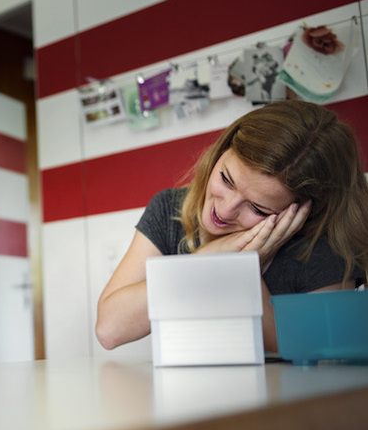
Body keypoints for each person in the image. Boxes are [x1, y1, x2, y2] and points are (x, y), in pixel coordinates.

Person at [96, 100, 368, 353]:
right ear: (220, 152)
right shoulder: (170, 208)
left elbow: (316, 351)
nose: (224, 210)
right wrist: (207, 260)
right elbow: (110, 329)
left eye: (257, 208)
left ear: (300, 213)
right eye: (226, 179)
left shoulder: (325, 244)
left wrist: (242, 269)